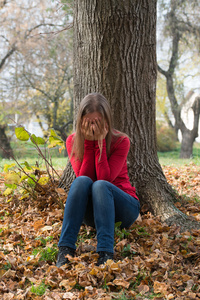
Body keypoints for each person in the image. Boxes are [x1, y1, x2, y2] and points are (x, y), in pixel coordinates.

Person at [56, 92, 140, 267]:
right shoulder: (72, 141)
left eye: (97, 122)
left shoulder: (121, 141)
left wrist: (100, 143)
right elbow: (85, 178)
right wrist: (88, 143)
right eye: (88, 123)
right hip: (93, 213)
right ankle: (65, 248)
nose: (93, 127)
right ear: (81, 122)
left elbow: (104, 179)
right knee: (80, 182)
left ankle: (105, 253)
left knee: (101, 185)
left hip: (124, 208)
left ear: (107, 121)